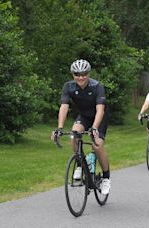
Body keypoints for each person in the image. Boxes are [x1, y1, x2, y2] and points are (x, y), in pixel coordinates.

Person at [52, 59, 111, 195]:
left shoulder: (97, 86)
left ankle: (106, 178)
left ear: (88, 74)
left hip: (99, 117)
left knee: (97, 145)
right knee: (74, 135)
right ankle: (80, 164)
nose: (80, 77)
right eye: (77, 74)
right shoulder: (69, 86)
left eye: (84, 74)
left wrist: (94, 128)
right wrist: (60, 128)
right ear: (73, 75)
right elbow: (64, 107)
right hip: (84, 116)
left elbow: (100, 110)